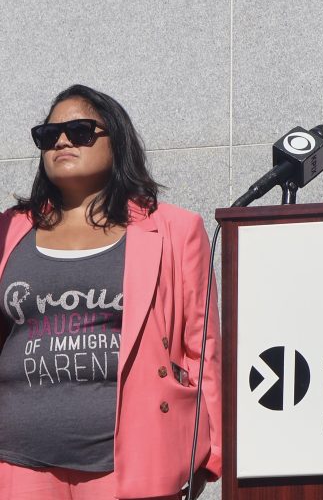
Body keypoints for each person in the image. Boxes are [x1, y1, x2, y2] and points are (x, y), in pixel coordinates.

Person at [0, 85, 221, 499]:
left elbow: (202, 347)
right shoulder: (8, 230)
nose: (62, 141)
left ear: (115, 140)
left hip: (131, 461)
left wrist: (208, 456)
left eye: (80, 131)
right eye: (49, 135)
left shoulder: (175, 230)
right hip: (14, 461)